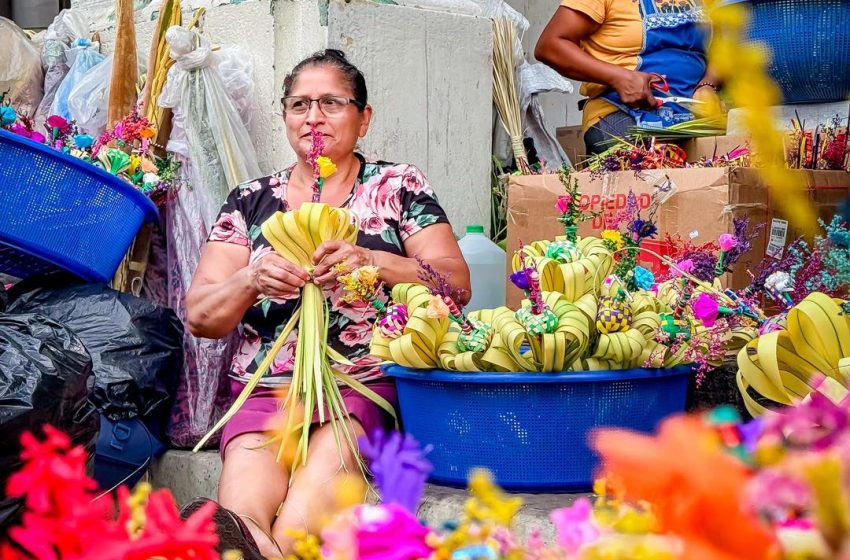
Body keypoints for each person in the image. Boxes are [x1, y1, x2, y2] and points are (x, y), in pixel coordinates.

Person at [182, 49, 470, 558]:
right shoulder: (250, 201)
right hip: (267, 390)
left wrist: (373, 261)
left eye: (332, 103)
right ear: (285, 116)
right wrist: (251, 278)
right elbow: (202, 315)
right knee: (241, 520)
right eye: (299, 105)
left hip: (361, 387)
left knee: (294, 529)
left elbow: (454, 286)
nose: (313, 118)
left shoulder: (396, 187)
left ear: (364, 117)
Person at [535, 0, 735, 156]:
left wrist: (708, 85)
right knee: (643, 170)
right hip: (621, 112)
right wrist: (619, 77)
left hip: (694, 116)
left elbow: (724, 49)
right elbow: (550, 45)